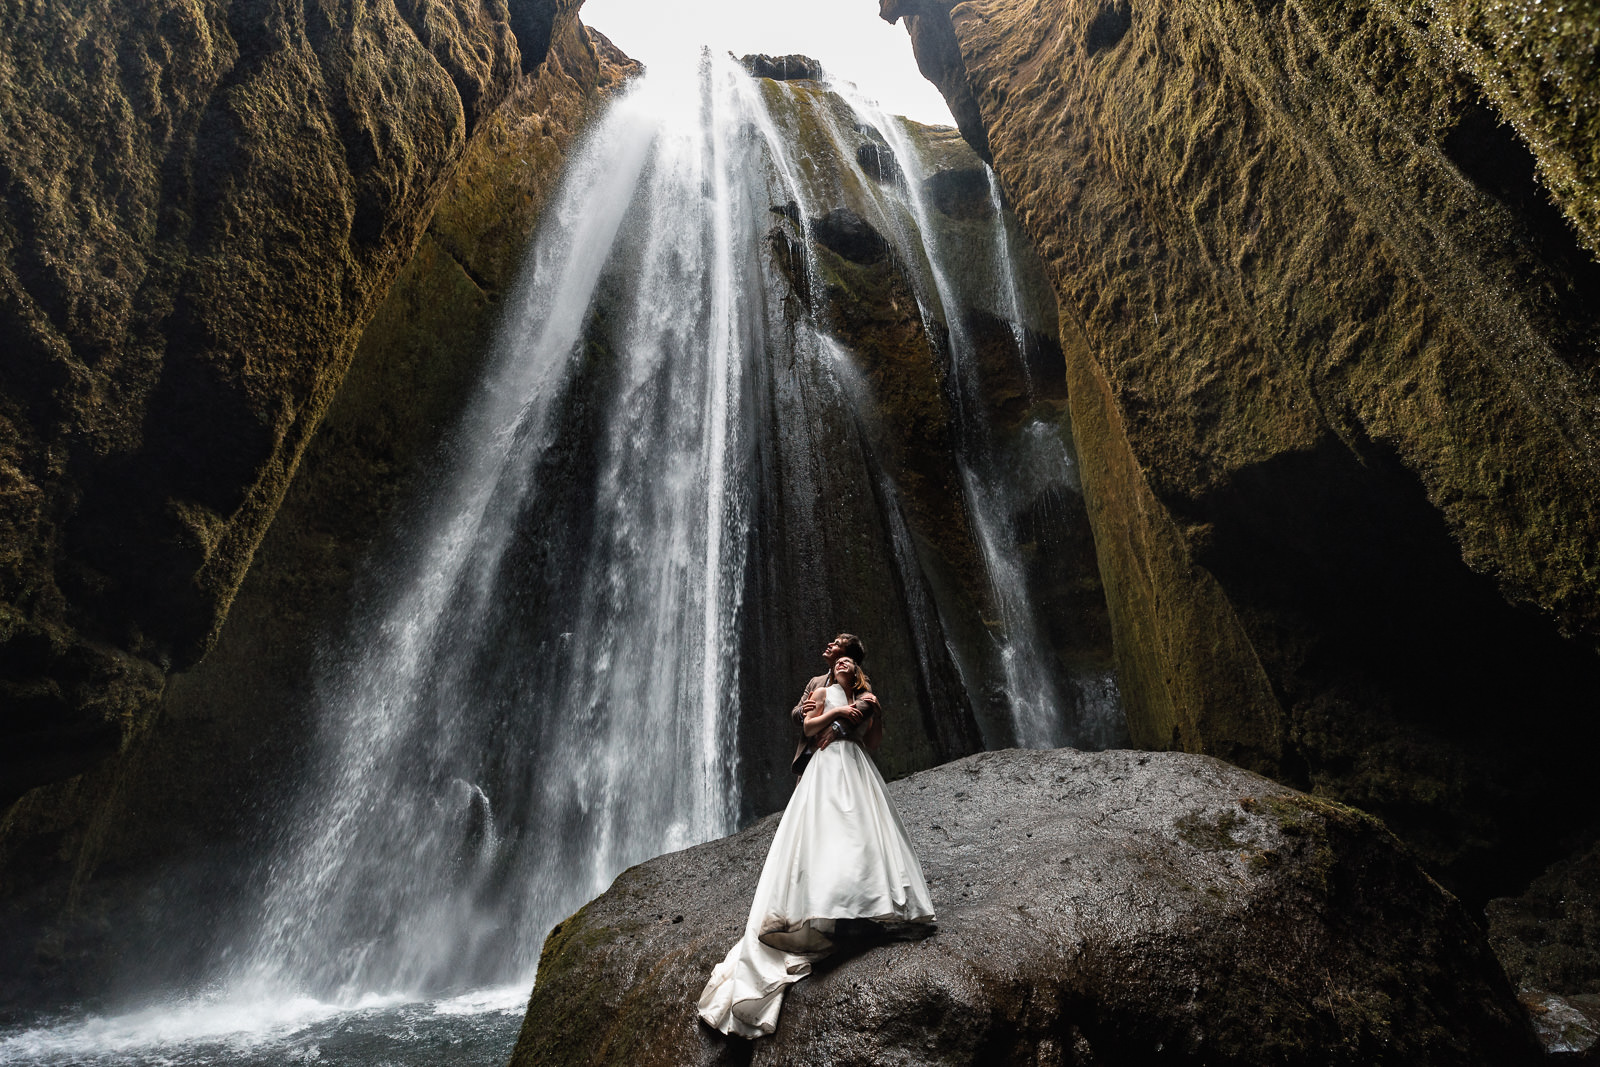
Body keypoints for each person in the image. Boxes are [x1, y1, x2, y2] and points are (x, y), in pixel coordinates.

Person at [696, 652, 936, 1037]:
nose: (842, 664)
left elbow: (872, 742)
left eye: (848, 662)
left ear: (858, 670)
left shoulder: (864, 696)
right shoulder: (821, 689)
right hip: (826, 767)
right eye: (837, 660)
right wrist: (839, 717)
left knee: (863, 834)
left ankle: (869, 908)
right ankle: (833, 915)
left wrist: (873, 712)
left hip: (856, 766)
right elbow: (807, 726)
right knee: (828, 833)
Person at [790, 633, 881, 774]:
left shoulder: (860, 682)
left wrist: (837, 726)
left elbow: (865, 705)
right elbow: (795, 713)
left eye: (837, 644)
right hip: (812, 756)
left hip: (845, 755)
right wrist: (803, 711)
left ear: (850, 657)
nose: (830, 644)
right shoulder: (815, 682)